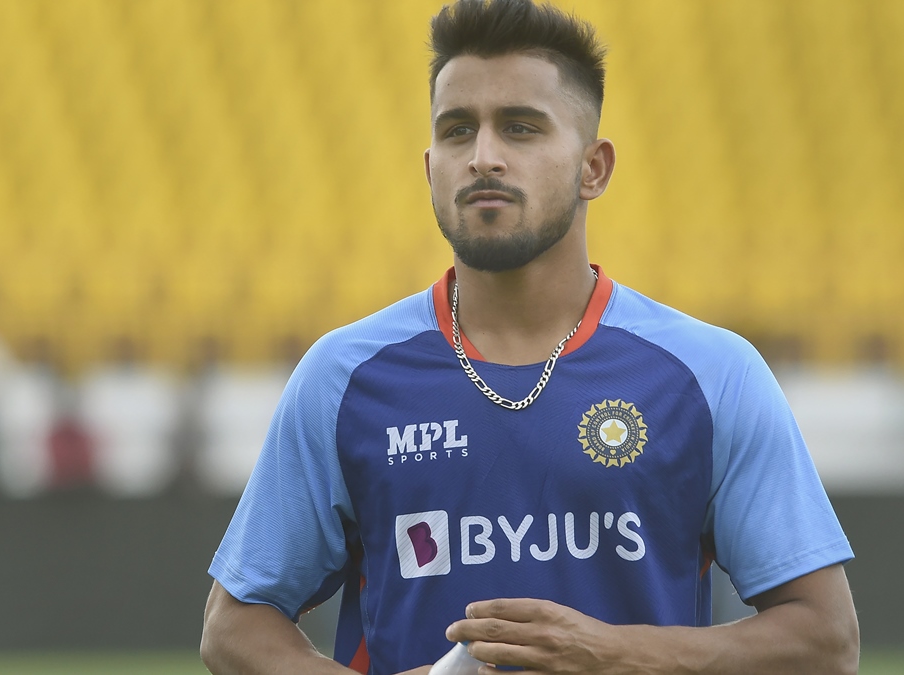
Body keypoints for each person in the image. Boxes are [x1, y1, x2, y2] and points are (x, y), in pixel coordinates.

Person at [200, 1, 860, 673]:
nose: (483, 157)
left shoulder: (710, 374)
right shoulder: (345, 377)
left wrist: (611, 653)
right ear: (430, 169)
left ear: (593, 168)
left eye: (520, 128)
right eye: (458, 131)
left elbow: (826, 640)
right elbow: (233, 625)